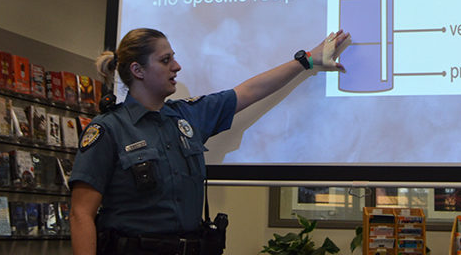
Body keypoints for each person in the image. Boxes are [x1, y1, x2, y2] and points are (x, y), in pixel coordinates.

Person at [69, 27, 350, 255]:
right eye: (165, 60)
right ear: (138, 70)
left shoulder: (186, 117)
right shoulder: (108, 129)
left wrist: (306, 61)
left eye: (173, 58)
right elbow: (81, 214)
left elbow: (248, 91)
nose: (176, 66)